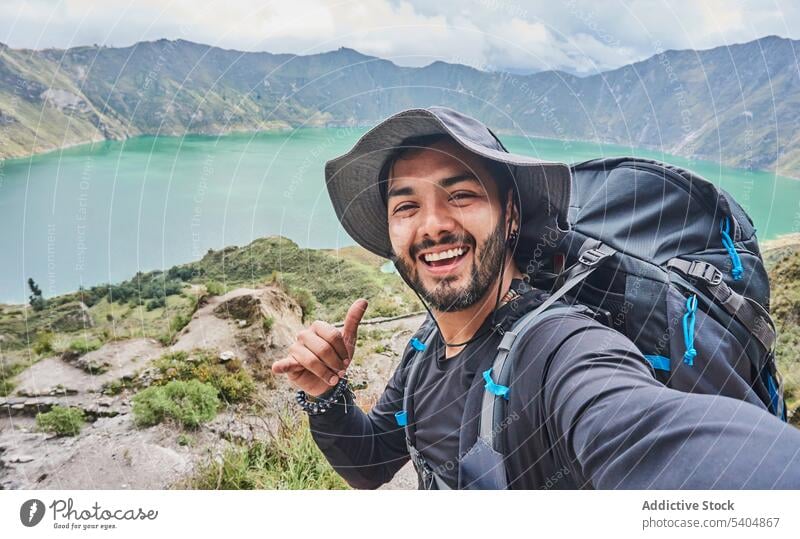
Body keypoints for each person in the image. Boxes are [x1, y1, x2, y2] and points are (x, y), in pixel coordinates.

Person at [272, 106, 800, 489]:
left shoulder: (559, 349)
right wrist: (325, 395)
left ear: (512, 216)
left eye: (461, 195)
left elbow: (644, 431)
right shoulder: (426, 347)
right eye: (406, 206)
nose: (433, 225)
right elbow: (371, 460)